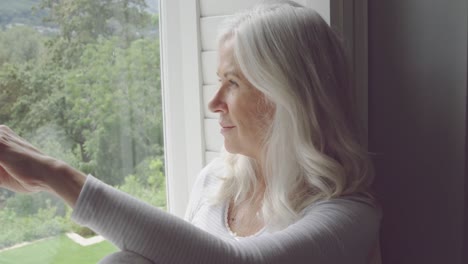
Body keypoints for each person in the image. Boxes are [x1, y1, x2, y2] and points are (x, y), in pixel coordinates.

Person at [0, 1, 382, 263]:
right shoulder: (215, 182)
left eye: (232, 83)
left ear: (287, 96)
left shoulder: (348, 217)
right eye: (219, 81)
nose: (214, 102)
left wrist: (56, 175)